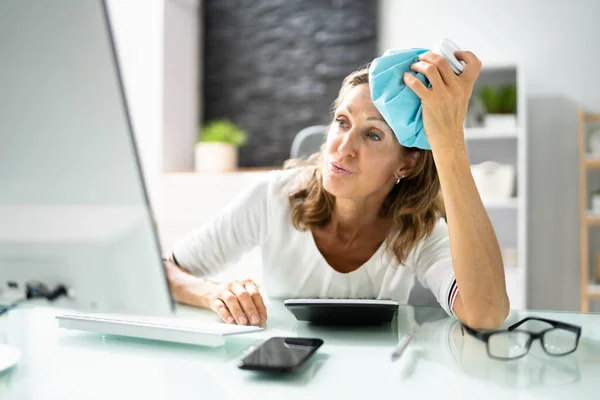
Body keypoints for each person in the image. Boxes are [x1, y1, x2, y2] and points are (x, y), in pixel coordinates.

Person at [164, 50, 509, 330]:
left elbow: (486, 314)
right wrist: (214, 293)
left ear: (407, 164)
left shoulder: (418, 230)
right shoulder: (273, 197)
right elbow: (163, 269)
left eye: (373, 135)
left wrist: (449, 143)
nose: (343, 147)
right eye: (342, 122)